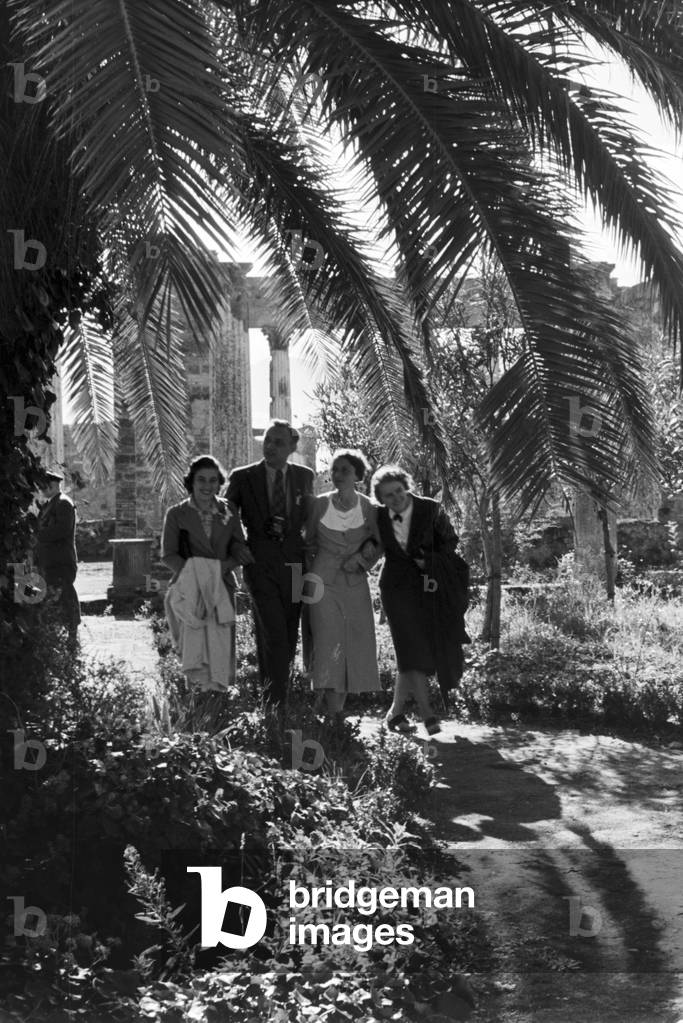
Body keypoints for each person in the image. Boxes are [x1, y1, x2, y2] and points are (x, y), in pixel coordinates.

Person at [372, 464, 470, 736]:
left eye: (399, 491)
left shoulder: (431, 509)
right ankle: (428, 714)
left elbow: (450, 541)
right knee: (409, 651)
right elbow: (370, 544)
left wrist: (428, 559)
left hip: (428, 587)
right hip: (394, 589)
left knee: (417, 652)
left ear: (407, 486)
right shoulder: (377, 516)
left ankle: (395, 714)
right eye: (388, 495)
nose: (396, 498)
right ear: (381, 499)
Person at [226, 420, 315, 709]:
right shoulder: (243, 477)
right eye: (267, 440)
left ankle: (276, 694)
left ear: (292, 447)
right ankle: (276, 703)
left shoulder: (304, 476)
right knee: (273, 628)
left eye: (278, 442)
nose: (271, 446)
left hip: (293, 565)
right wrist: (238, 544)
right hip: (259, 563)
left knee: (288, 630)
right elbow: (227, 512)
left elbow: (311, 515)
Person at [304, 449, 382, 721]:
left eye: (344, 470)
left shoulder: (369, 507)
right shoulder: (319, 504)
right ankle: (328, 711)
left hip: (355, 583)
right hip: (321, 584)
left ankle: (334, 710)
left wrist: (360, 560)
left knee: (353, 643)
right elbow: (308, 543)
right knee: (327, 643)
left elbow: (379, 543)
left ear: (357, 476)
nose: (337, 475)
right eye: (334, 469)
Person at [161, 455, 248, 692]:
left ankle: (220, 707)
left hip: (222, 587)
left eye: (212, 480)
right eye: (201, 480)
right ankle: (198, 710)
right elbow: (168, 555)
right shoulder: (177, 514)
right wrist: (197, 576)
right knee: (196, 651)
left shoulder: (228, 510)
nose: (207, 486)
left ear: (219, 483)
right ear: (191, 482)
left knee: (220, 653)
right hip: (191, 592)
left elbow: (238, 544)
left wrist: (232, 560)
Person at [35, 470, 81, 642]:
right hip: (49, 560)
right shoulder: (50, 504)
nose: (39, 488)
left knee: (65, 596)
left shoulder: (63, 503)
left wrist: (37, 536)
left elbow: (62, 529)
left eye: (42, 485)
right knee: (49, 597)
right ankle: (54, 636)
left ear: (53, 485)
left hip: (60, 561)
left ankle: (72, 635)